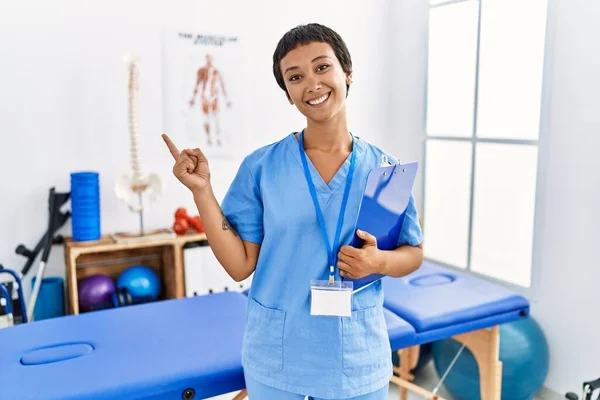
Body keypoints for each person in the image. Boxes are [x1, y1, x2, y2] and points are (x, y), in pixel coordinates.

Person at [163, 23, 424, 400]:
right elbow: (239, 265)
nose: (312, 84)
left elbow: (412, 253)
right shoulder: (262, 167)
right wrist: (202, 191)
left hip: (357, 361)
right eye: (295, 77)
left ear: (347, 73)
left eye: (322, 68)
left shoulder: (385, 170)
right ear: (287, 93)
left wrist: (378, 263)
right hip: (278, 360)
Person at [189, 53, 231, 146]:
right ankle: (208, 139)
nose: (209, 60)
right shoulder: (202, 71)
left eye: (210, 58)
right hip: (205, 96)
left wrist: (227, 99)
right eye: (207, 58)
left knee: (216, 118)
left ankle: (218, 138)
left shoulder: (216, 71)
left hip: (214, 97)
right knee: (206, 118)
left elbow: (222, 85)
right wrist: (193, 98)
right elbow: (197, 84)